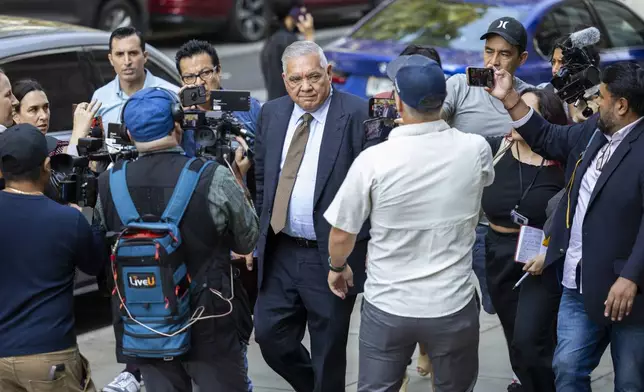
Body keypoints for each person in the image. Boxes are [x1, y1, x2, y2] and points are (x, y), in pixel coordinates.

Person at [325, 54, 492, 392]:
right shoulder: (475, 149)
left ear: (398, 101)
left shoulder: (374, 160)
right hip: (453, 305)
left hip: (388, 305)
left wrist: (337, 266)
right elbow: (484, 181)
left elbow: (342, 233)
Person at [487, 61, 644, 392]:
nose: (594, 103)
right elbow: (546, 136)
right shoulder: (594, 131)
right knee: (567, 370)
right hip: (577, 283)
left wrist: (630, 277)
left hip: (627, 293)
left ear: (621, 105)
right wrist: (511, 99)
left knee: (630, 381)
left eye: (601, 97)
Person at [93, 87, 259, 392]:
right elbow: (247, 241)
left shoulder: (108, 183)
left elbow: (100, 247)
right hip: (209, 321)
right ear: (178, 125)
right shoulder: (212, 176)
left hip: (146, 324)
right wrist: (238, 177)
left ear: (129, 133)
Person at [253, 40, 369, 392]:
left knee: (329, 351)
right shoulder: (272, 113)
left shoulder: (357, 114)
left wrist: (350, 253)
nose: (305, 87)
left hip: (330, 255)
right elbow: (262, 177)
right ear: (284, 79)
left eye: (314, 77)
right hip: (281, 250)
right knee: (270, 336)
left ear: (329, 74)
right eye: (296, 79)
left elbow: (372, 190)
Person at [174, 38, 262, 392]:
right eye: (188, 78)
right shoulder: (177, 117)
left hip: (240, 231)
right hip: (197, 236)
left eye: (204, 74)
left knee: (234, 324)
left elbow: (263, 157)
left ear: (219, 72)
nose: (198, 84)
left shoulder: (246, 106)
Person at [0, 124, 106, 392]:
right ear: (47, 164)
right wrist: (88, 213)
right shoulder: (67, 219)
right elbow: (95, 263)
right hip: (50, 354)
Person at [481, 88, 567, 392]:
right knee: (517, 344)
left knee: (530, 342)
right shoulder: (498, 149)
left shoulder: (560, 163)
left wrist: (552, 250)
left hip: (539, 260)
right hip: (497, 254)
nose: (515, 117)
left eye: (525, 111)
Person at [68, 27, 178, 159]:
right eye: (120, 54)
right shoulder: (100, 97)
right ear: (110, 59)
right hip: (116, 175)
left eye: (133, 53)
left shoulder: (170, 94)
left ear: (145, 56)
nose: (127, 62)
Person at [12, 79, 102, 155]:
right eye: (33, 109)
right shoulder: (12, 152)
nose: (43, 116)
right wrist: (78, 133)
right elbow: (63, 172)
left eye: (46, 107)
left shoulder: (55, 146)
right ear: (16, 116)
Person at [261, 0, 315, 101]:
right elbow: (310, 73)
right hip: (289, 109)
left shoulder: (272, 39)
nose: (304, 11)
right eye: (301, 8)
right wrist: (309, 36)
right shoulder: (288, 41)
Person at [546, 27, 601, 123]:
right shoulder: (547, 94)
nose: (555, 69)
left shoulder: (601, 97)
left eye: (562, 62)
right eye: (553, 62)